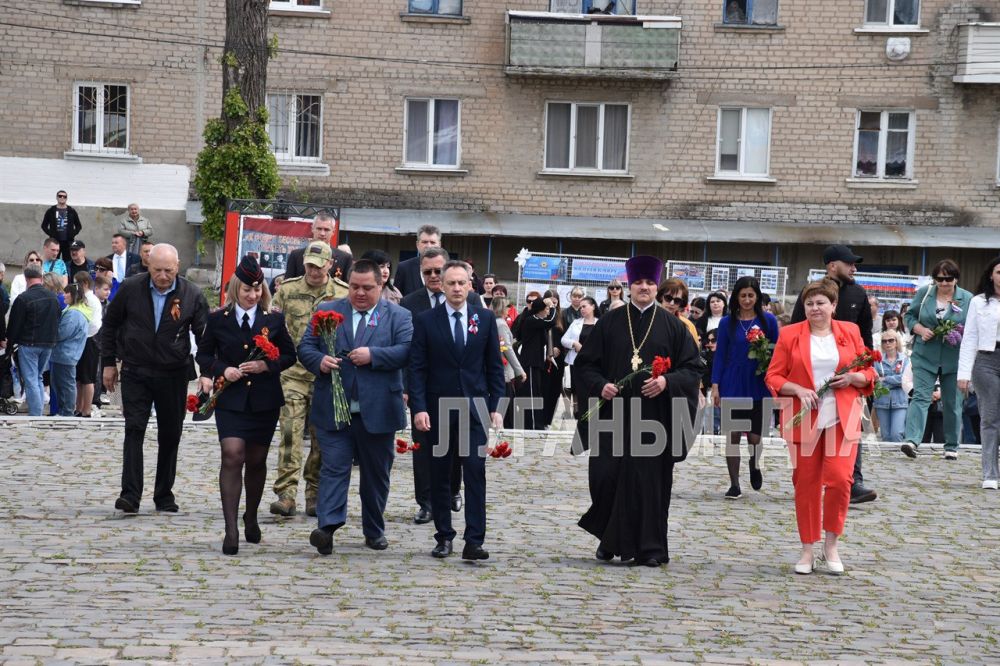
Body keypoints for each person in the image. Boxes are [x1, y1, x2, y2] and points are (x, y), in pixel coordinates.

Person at [574, 256, 701, 567]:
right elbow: (585, 365)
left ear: (657, 287)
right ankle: (609, 535)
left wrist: (666, 381)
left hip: (654, 418)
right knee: (605, 478)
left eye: (650, 283)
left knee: (649, 484)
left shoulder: (674, 326)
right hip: (613, 416)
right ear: (628, 286)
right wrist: (601, 384)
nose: (644, 287)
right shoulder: (609, 322)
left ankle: (651, 549)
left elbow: (693, 369)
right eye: (638, 283)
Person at [297, 259, 412, 554]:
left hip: (378, 410)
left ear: (381, 285)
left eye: (367, 288)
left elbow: (406, 351)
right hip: (335, 409)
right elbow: (306, 347)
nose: (360, 293)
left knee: (376, 475)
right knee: (333, 469)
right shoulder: (327, 311)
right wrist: (319, 361)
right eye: (355, 287)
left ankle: (373, 529)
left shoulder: (398, 315)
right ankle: (328, 527)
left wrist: (374, 355)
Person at [766, 278, 877, 576]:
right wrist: (797, 389)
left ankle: (831, 545)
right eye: (810, 303)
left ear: (833, 306)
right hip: (804, 417)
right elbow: (773, 376)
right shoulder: (790, 334)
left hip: (843, 416)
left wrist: (854, 379)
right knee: (806, 483)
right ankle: (807, 549)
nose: (815, 308)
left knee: (841, 480)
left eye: (821, 303)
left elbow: (868, 370)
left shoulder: (850, 332)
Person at [197, 256, 295, 554]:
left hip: (263, 401)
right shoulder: (218, 319)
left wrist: (266, 366)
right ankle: (230, 531)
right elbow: (203, 355)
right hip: (230, 398)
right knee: (232, 454)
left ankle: (250, 516)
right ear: (235, 290)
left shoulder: (273, 319)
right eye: (246, 291)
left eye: (256, 290)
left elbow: (289, 356)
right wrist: (221, 369)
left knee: (255, 461)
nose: (252, 296)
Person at [102, 244, 209, 514]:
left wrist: (208, 371)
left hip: (173, 372)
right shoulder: (130, 288)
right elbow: (111, 325)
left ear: (178, 266)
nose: (163, 276)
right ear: (148, 265)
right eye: (158, 270)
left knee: (170, 434)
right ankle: (130, 494)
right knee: (134, 429)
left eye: (169, 270)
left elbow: (205, 337)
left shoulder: (192, 294)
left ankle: (164, 494)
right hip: (136, 370)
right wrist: (108, 363)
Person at [409, 260, 505, 560]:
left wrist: (496, 406)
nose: (456, 288)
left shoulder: (485, 319)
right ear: (442, 285)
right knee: (440, 474)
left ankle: (474, 540)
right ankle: (444, 536)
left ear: (470, 285)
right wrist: (419, 407)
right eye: (450, 283)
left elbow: (494, 368)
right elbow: (417, 369)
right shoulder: (426, 320)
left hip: (474, 408)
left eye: (461, 283)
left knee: (475, 472)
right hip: (439, 409)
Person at [791, 244, 877, 504]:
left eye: (855, 264)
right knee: (814, 431)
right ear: (832, 266)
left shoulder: (859, 293)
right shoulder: (812, 293)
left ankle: (853, 481)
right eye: (849, 263)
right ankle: (812, 478)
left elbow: (866, 338)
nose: (854, 268)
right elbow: (795, 331)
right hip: (813, 378)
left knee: (852, 428)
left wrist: (866, 373)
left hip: (850, 379)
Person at [400, 247, 481, 522]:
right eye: (428, 272)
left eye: (438, 270)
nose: (433, 276)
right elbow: (406, 351)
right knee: (423, 446)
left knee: (458, 445)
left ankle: (451, 491)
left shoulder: (475, 303)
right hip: (423, 389)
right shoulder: (410, 304)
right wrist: (406, 388)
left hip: (460, 390)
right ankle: (426, 501)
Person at [269, 241, 348, 518]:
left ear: (330, 265)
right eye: (309, 265)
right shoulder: (288, 290)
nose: (313, 271)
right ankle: (286, 494)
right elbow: (272, 328)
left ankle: (314, 492)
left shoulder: (341, 294)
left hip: (325, 376)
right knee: (290, 432)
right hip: (292, 373)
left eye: (319, 265)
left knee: (320, 438)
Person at [711, 276, 778, 499]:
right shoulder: (726, 322)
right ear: (736, 298)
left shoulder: (768, 321)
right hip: (732, 382)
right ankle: (734, 484)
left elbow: (778, 352)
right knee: (733, 435)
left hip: (758, 383)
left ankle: (754, 462)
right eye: (743, 296)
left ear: (757, 296)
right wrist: (715, 385)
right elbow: (720, 356)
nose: (747, 300)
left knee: (755, 438)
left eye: (751, 295)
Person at [900, 259, 972, 460]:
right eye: (940, 279)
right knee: (921, 396)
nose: (944, 283)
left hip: (954, 357)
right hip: (925, 355)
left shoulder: (967, 298)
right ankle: (912, 440)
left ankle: (951, 446)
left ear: (956, 278)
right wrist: (920, 329)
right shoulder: (924, 294)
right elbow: (910, 317)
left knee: (952, 402)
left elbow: (972, 328)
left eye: (949, 278)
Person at [957, 256, 1000, 489]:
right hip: (986, 360)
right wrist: (963, 373)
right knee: (990, 417)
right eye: (999, 272)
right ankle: (990, 473)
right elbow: (970, 337)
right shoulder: (978, 302)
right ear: (991, 275)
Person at [4, 265, 60, 416]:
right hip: (48, 344)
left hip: (29, 343)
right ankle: (38, 411)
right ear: (41, 278)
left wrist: (9, 346)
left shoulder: (23, 299)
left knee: (31, 380)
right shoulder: (53, 298)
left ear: (26, 279)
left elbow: (14, 325)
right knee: (38, 378)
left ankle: (36, 414)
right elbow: (57, 320)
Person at [515, 295, 557, 430]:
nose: (548, 311)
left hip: (537, 362)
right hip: (530, 362)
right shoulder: (531, 320)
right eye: (546, 309)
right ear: (540, 309)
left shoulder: (537, 321)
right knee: (531, 393)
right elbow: (551, 321)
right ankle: (532, 424)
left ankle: (536, 423)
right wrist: (553, 306)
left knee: (537, 392)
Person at [50, 282, 91, 417]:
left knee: (65, 386)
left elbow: (62, 333)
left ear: (74, 295)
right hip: (66, 354)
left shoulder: (74, 313)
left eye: (67, 292)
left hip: (65, 354)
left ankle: (66, 412)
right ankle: (64, 411)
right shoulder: (77, 310)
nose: (64, 295)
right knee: (63, 385)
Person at [284, 212, 353, 282]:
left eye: (326, 230)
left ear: (333, 232)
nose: (322, 233)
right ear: (312, 229)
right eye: (319, 229)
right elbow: (287, 284)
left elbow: (347, 288)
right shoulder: (296, 255)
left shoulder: (345, 258)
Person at [561, 295, 599, 419]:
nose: (582, 309)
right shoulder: (576, 323)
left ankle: (591, 411)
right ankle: (578, 411)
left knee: (591, 387)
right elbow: (564, 340)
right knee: (576, 387)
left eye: (584, 306)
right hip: (576, 361)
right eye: (580, 307)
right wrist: (574, 344)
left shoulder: (600, 323)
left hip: (594, 362)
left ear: (593, 307)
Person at [492, 296, 526, 427]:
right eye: (507, 307)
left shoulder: (497, 322)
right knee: (507, 403)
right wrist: (519, 371)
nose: (509, 309)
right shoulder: (500, 323)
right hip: (505, 369)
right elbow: (506, 348)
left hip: (504, 368)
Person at [72, 273, 102, 417]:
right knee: (79, 378)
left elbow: (95, 324)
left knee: (87, 378)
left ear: (84, 283)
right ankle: (78, 407)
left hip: (90, 340)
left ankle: (86, 409)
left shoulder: (91, 300)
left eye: (76, 283)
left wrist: (83, 332)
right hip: (82, 339)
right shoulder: (83, 298)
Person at [873, 330, 909, 442]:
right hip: (882, 401)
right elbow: (876, 380)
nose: (887, 343)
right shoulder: (877, 361)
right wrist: (894, 381)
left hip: (900, 401)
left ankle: (898, 459)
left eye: (891, 340)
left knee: (897, 434)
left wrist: (886, 379)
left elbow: (904, 379)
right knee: (886, 436)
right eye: (884, 341)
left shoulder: (905, 359)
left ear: (896, 342)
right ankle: (888, 460)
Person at [394, 224, 442, 296]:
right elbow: (397, 299)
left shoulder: (448, 268)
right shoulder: (404, 268)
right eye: (424, 242)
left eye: (432, 242)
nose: (428, 246)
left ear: (439, 245)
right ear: (417, 244)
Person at [40, 190, 82, 263]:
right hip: (55, 242)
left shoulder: (71, 211)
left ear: (66, 198)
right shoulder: (51, 211)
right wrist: (51, 234)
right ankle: (53, 274)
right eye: (60, 196)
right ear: (56, 197)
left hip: (68, 242)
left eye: (64, 196)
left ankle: (66, 274)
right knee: (53, 261)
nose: (62, 197)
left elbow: (78, 226)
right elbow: (44, 225)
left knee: (68, 262)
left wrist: (72, 234)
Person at [657, 278, 701, 346]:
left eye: (677, 300)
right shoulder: (649, 320)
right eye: (668, 298)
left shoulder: (688, 326)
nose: (672, 303)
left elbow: (693, 353)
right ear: (661, 297)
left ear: (681, 303)